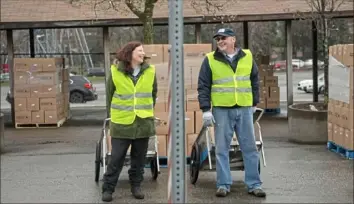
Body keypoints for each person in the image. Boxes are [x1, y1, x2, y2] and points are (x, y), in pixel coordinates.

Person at [197, 28, 266, 198]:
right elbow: (203, 85)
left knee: (249, 147)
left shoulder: (247, 56)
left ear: (233, 40)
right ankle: (223, 184)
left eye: (223, 38)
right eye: (218, 39)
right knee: (222, 148)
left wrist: (253, 102)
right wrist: (206, 109)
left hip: (244, 108)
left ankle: (254, 184)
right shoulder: (210, 60)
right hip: (222, 109)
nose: (220, 41)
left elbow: (254, 80)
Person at [101, 41, 158, 202]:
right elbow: (109, 96)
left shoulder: (150, 71)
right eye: (139, 51)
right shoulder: (115, 72)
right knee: (116, 158)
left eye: (143, 51)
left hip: (143, 122)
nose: (142, 53)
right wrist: (112, 117)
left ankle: (136, 186)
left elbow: (153, 94)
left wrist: (146, 111)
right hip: (121, 123)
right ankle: (108, 188)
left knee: (139, 159)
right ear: (129, 53)